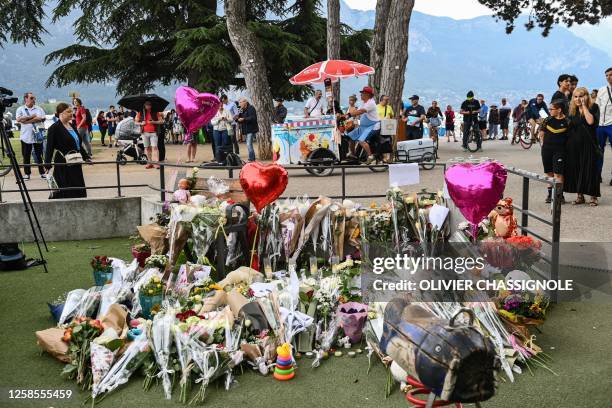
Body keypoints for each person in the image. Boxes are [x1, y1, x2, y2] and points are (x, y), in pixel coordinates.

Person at [44, 102, 91, 198]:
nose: (71, 113)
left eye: (71, 111)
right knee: (65, 185)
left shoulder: (72, 126)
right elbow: (49, 147)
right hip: (63, 161)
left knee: (77, 184)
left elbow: (77, 144)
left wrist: (86, 157)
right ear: (61, 114)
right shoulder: (54, 128)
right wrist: (47, 164)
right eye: (68, 111)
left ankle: (78, 201)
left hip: (75, 160)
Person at [564, 87, 600, 206]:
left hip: (589, 145)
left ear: (586, 96)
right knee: (577, 169)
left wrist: (584, 107)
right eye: (575, 97)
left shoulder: (593, 107)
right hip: (574, 146)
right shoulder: (571, 111)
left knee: (590, 169)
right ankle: (580, 196)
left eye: (581, 96)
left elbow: (590, 122)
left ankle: (593, 197)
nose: (578, 99)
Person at [539, 99, 569, 203]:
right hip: (546, 150)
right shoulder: (547, 120)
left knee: (558, 173)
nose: (549, 110)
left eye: (551, 109)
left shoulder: (567, 121)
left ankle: (559, 195)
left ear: (559, 110)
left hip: (560, 151)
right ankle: (550, 194)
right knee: (549, 173)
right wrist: (542, 144)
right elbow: (541, 132)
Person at [15, 92, 46, 180]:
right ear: (26, 98)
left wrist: (26, 120)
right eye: (31, 98)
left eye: (34, 98)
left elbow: (41, 118)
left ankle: (42, 173)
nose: (33, 100)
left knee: (39, 154)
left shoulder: (39, 108)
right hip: (25, 136)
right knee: (26, 155)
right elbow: (18, 119)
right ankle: (27, 174)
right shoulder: (20, 109)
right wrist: (32, 116)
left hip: (38, 135)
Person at [345, 86, 379, 163]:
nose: (361, 95)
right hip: (364, 126)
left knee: (361, 140)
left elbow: (361, 111)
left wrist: (349, 115)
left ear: (367, 94)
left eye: (362, 93)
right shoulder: (363, 103)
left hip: (372, 126)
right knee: (350, 136)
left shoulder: (371, 103)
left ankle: (371, 156)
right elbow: (356, 111)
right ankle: (353, 154)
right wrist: (343, 116)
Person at [135, 100, 164, 169]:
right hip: (144, 133)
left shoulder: (156, 112)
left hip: (154, 132)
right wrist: (141, 123)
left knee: (155, 147)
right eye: (146, 105)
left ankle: (156, 163)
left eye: (149, 105)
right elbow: (135, 122)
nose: (148, 106)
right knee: (147, 148)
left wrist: (153, 122)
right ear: (144, 106)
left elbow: (161, 121)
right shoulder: (140, 113)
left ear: (151, 105)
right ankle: (149, 162)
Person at [596, 67, 612, 183]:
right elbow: (596, 106)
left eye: (610, 75)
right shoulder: (602, 90)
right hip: (600, 125)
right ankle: (597, 175)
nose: (608, 77)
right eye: (606, 75)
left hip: (611, 125)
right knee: (598, 151)